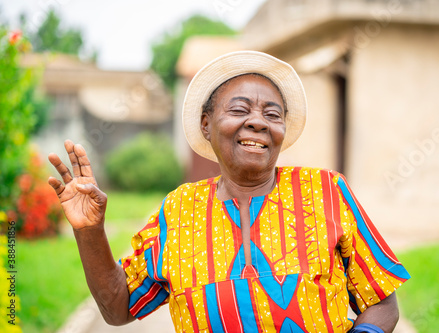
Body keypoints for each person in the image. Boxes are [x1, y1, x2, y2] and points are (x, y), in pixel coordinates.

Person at [48, 51, 410, 333]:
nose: (257, 121)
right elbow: (118, 308)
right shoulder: (179, 212)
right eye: (239, 109)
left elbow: (381, 300)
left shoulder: (326, 191)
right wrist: (89, 230)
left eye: (273, 114)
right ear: (206, 124)